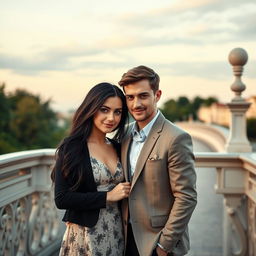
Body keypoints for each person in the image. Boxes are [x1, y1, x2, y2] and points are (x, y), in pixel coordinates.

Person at [118, 66, 197, 256]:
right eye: (130, 97)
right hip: (126, 239)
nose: (136, 104)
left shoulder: (176, 138)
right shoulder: (124, 134)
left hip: (157, 242)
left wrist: (164, 246)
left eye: (143, 96)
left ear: (157, 95)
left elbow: (186, 197)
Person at [51, 82, 131, 256]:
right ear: (91, 108)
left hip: (117, 230)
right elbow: (62, 199)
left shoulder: (119, 147)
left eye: (117, 112)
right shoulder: (72, 147)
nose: (111, 118)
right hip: (86, 233)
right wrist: (108, 196)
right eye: (104, 109)